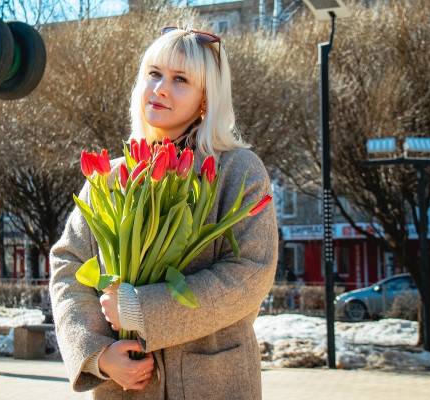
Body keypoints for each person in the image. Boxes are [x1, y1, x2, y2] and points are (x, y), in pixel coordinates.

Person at [50, 27, 278, 399]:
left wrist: (142, 309)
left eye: (180, 79)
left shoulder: (237, 170)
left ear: (206, 98)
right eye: (154, 74)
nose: (160, 88)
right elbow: (68, 265)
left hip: (215, 383)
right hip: (125, 389)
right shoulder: (109, 177)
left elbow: (251, 273)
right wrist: (99, 355)